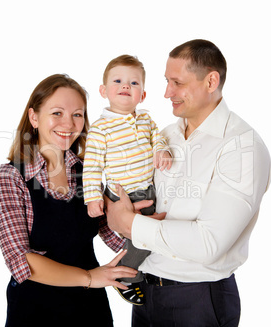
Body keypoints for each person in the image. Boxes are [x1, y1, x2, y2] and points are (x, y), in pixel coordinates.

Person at [105, 40, 271, 327]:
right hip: (146, 292)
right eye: (166, 81)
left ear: (211, 81)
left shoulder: (242, 147)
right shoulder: (165, 136)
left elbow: (209, 244)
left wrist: (128, 223)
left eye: (177, 82)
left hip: (198, 301)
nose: (167, 92)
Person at [0, 74, 138, 327]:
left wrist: (143, 226)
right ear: (34, 117)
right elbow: (21, 262)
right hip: (35, 311)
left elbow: (113, 236)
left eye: (77, 114)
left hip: (91, 311)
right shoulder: (13, 177)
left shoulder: (86, 172)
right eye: (57, 113)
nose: (68, 124)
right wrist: (90, 277)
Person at [82, 55, 172, 305]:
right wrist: (92, 198)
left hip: (147, 191)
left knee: (150, 236)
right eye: (118, 81)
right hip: (122, 193)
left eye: (134, 83)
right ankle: (126, 278)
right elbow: (92, 167)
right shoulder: (101, 129)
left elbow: (158, 138)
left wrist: (161, 150)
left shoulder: (146, 120)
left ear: (142, 95)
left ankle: (137, 271)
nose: (125, 86)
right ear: (104, 90)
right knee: (145, 238)